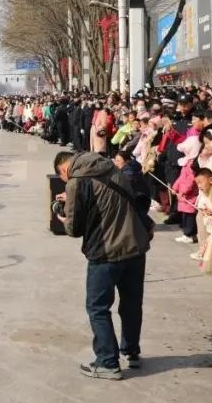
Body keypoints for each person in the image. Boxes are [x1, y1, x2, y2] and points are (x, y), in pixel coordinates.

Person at [53, 150, 153, 380]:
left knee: (97, 308)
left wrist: (65, 215)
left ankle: (107, 361)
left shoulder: (77, 182)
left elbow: (74, 228)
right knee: (131, 304)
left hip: (106, 252)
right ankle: (131, 352)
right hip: (135, 247)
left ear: (63, 169)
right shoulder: (112, 169)